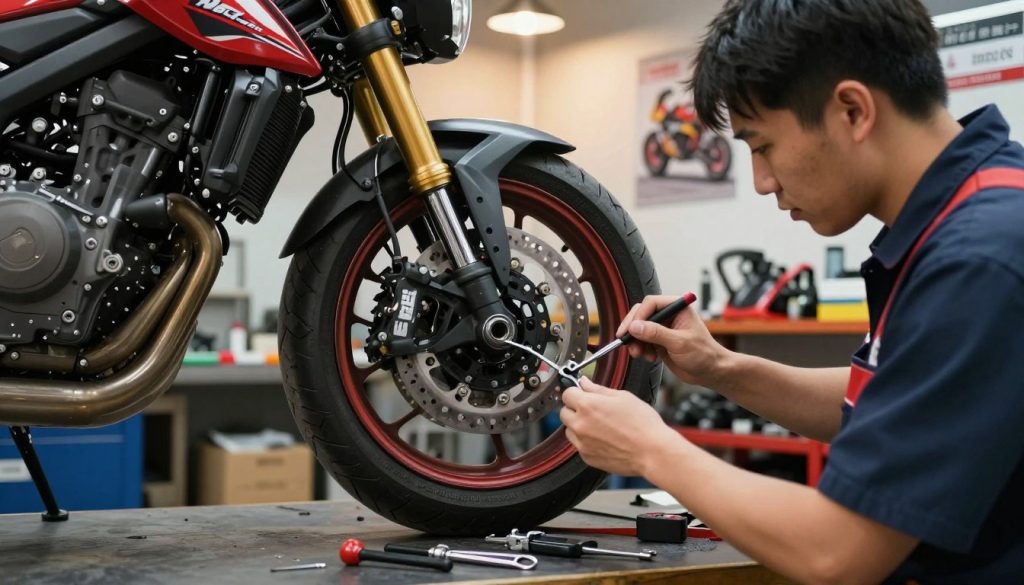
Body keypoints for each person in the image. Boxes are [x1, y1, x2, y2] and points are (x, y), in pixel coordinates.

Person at [559, 1, 1024, 583]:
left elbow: (840, 552)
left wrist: (651, 448)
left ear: (852, 111)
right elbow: (897, 401)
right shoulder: (976, 212)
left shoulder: (978, 256)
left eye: (762, 146)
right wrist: (721, 368)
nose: (762, 182)